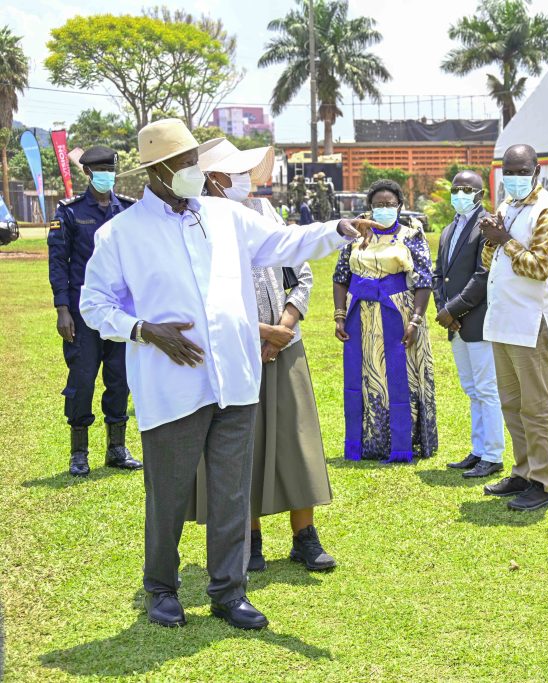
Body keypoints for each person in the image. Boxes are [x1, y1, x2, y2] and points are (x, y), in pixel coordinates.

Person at [79, 118, 367, 631]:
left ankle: (229, 592)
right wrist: (144, 329)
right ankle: (161, 589)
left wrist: (336, 231)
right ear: (159, 171)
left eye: (196, 160)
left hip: (235, 377)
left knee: (233, 491)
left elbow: (283, 242)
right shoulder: (120, 233)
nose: (196, 169)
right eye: (186, 162)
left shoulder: (224, 215)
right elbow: (94, 304)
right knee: (167, 493)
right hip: (174, 384)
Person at [192, 137, 336, 573]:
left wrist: (284, 328)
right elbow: (201, 296)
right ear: (214, 179)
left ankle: (304, 537)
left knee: (297, 437)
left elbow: (303, 273)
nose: (244, 179)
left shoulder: (265, 213)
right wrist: (258, 332)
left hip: (284, 346)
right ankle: (249, 538)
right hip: (235, 349)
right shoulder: (197, 223)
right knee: (242, 445)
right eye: (234, 172)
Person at [477, 144, 548, 511]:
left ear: (536, 169)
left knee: (537, 406)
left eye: (520, 170)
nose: (513, 177)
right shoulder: (507, 207)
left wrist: (505, 241)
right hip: (503, 320)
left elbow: (539, 267)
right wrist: (491, 238)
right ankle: (523, 470)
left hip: (532, 322)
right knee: (512, 404)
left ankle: (544, 483)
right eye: (507, 170)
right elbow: (489, 262)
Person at [48, 145, 142, 476]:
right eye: (100, 169)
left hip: (120, 311)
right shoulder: (71, 212)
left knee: (120, 378)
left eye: (111, 168)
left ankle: (117, 448)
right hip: (82, 312)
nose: (107, 174)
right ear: (87, 173)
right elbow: (59, 262)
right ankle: (79, 452)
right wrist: (62, 309)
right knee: (83, 378)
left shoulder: (128, 211)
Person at [333, 179, 438, 463]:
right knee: (367, 378)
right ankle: (368, 443)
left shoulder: (412, 235)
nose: (383, 209)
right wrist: (340, 316)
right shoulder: (354, 237)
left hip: (399, 315)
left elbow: (424, 280)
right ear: (369, 208)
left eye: (389, 204)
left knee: (403, 379)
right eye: (378, 205)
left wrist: (415, 320)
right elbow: (340, 278)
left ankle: (404, 443)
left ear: (400, 206)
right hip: (361, 320)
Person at [433, 170, 505, 478]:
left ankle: (493, 454)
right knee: (472, 389)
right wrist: (443, 309)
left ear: (480, 194)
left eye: (467, 189)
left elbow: (483, 275)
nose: (460, 194)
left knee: (487, 389)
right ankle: (478, 450)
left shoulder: (486, 226)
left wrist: (454, 309)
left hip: (476, 320)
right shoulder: (449, 229)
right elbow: (439, 274)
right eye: (456, 188)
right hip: (455, 323)